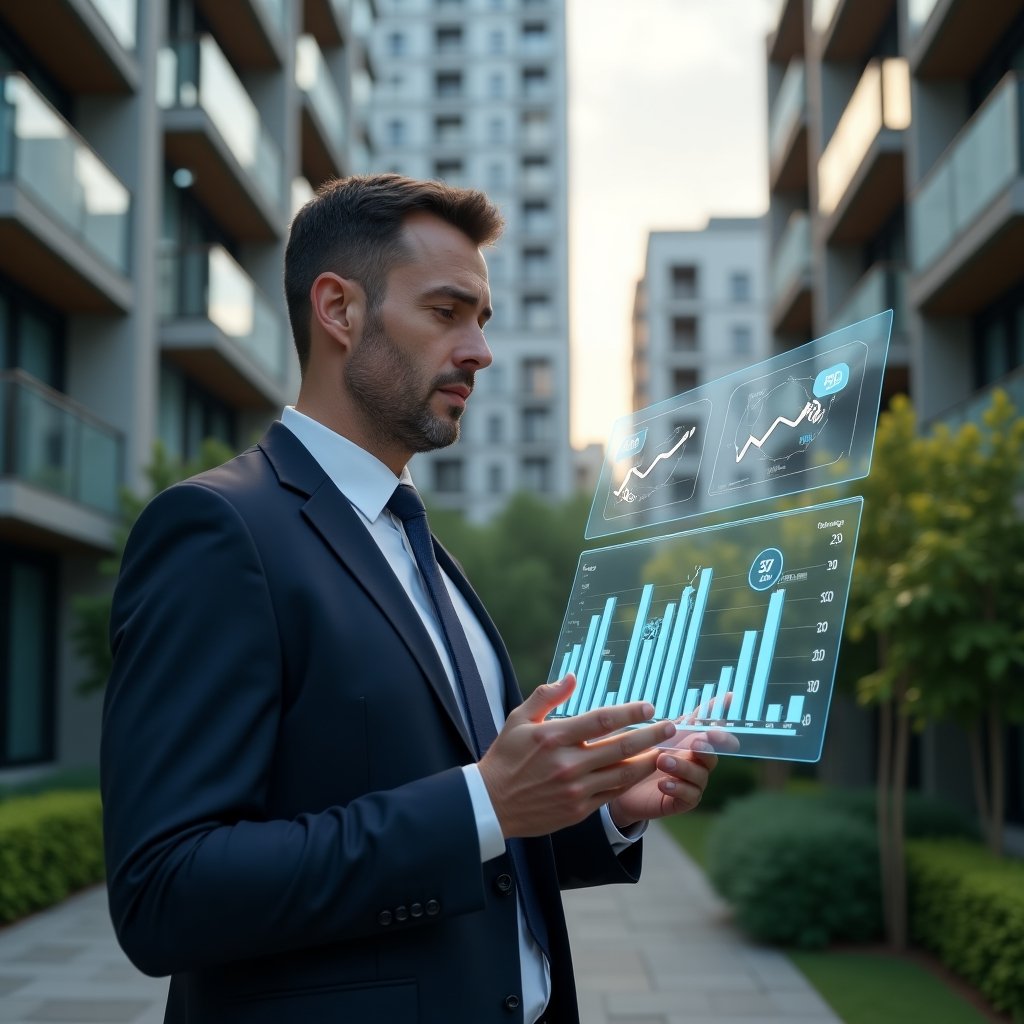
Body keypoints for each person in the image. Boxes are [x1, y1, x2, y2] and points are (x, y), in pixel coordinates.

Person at [101, 174, 719, 1024]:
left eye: (483, 319)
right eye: (446, 312)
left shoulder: (424, 551)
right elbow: (165, 891)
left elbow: (478, 831)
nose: (480, 351)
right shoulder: (216, 531)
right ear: (338, 309)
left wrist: (604, 809)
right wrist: (482, 802)